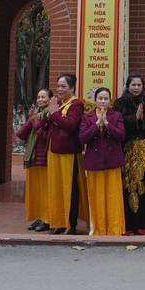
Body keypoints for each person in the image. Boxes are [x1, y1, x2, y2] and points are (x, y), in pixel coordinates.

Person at [114, 75, 145, 236]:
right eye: (133, 85)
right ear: (128, 86)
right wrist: (133, 119)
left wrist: (143, 119)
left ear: (143, 86)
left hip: (144, 149)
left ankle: (143, 225)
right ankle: (127, 224)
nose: (136, 88)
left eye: (139, 85)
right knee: (126, 185)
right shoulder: (120, 103)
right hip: (126, 149)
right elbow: (116, 122)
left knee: (144, 185)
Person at [78, 87, 126, 236]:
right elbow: (83, 138)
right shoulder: (87, 117)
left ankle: (114, 228)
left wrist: (107, 124)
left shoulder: (116, 115)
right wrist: (97, 124)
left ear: (110, 101)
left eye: (106, 99)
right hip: (94, 163)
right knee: (96, 197)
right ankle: (98, 228)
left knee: (113, 196)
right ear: (95, 100)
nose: (103, 101)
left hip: (113, 162)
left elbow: (121, 135)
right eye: (100, 98)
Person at [47, 74, 87, 235]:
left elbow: (70, 125)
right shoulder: (59, 103)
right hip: (55, 149)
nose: (59, 89)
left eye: (63, 86)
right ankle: (58, 222)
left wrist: (53, 114)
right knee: (56, 188)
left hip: (69, 152)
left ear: (72, 88)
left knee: (69, 189)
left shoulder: (77, 104)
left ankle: (70, 223)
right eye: (58, 86)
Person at [16, 88, 53, 231]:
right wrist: (31, 119)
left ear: (50, 99)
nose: (40, 100)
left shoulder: (49, 114)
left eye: (44, 97)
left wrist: (35, 122)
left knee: (46, 190)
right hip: (32, 157)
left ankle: (47, 219)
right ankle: (39, 217)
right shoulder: (36, 113)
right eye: (38, 97)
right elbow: (21, 134)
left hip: (44, 157)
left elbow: (45, 136)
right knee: (36, 191)